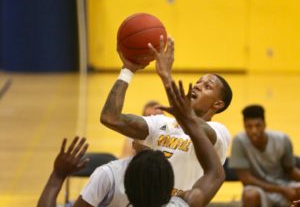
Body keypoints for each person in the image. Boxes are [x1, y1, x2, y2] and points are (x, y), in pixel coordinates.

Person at [37, 80, 225, 207]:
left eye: (206, 85)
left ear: (127, 183)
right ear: (169, 188)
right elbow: (215, 174)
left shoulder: (109, 176)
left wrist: (57, 176)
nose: (199, 85)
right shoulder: (179, 203)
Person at [100, 35, 233, 194]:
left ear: (217, 104)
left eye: (207, 86)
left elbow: (191, 126)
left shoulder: (219, 133)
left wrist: (166, 77)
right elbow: (111, 118)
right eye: (198, 82)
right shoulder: (161, 123)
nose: (197, 86)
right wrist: (127, 71)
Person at [228, 104, 300, 207]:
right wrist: (281, 190)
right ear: (244, 126)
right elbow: (246, 179)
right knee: (250, 195)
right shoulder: (239, 141)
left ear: (264, 124)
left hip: (285, 185)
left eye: (258, 125)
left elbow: (290, 170)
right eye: (249, 126)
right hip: (259, 189)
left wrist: (285, 188)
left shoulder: (283, 139)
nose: (254, 131)